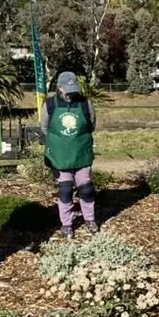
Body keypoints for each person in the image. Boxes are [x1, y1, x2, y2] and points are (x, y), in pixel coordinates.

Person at [42, 72, 97, 239]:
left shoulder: (85, 103)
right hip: (60, 156)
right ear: (59, 87)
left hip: (81, 152)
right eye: (68, 89)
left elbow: (91, 125)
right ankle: (66, 223)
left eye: (74, 89)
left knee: (86, 189)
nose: (72, 92)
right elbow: (45, 128)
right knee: (65, 190)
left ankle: (90, 219)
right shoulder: (50, 104)